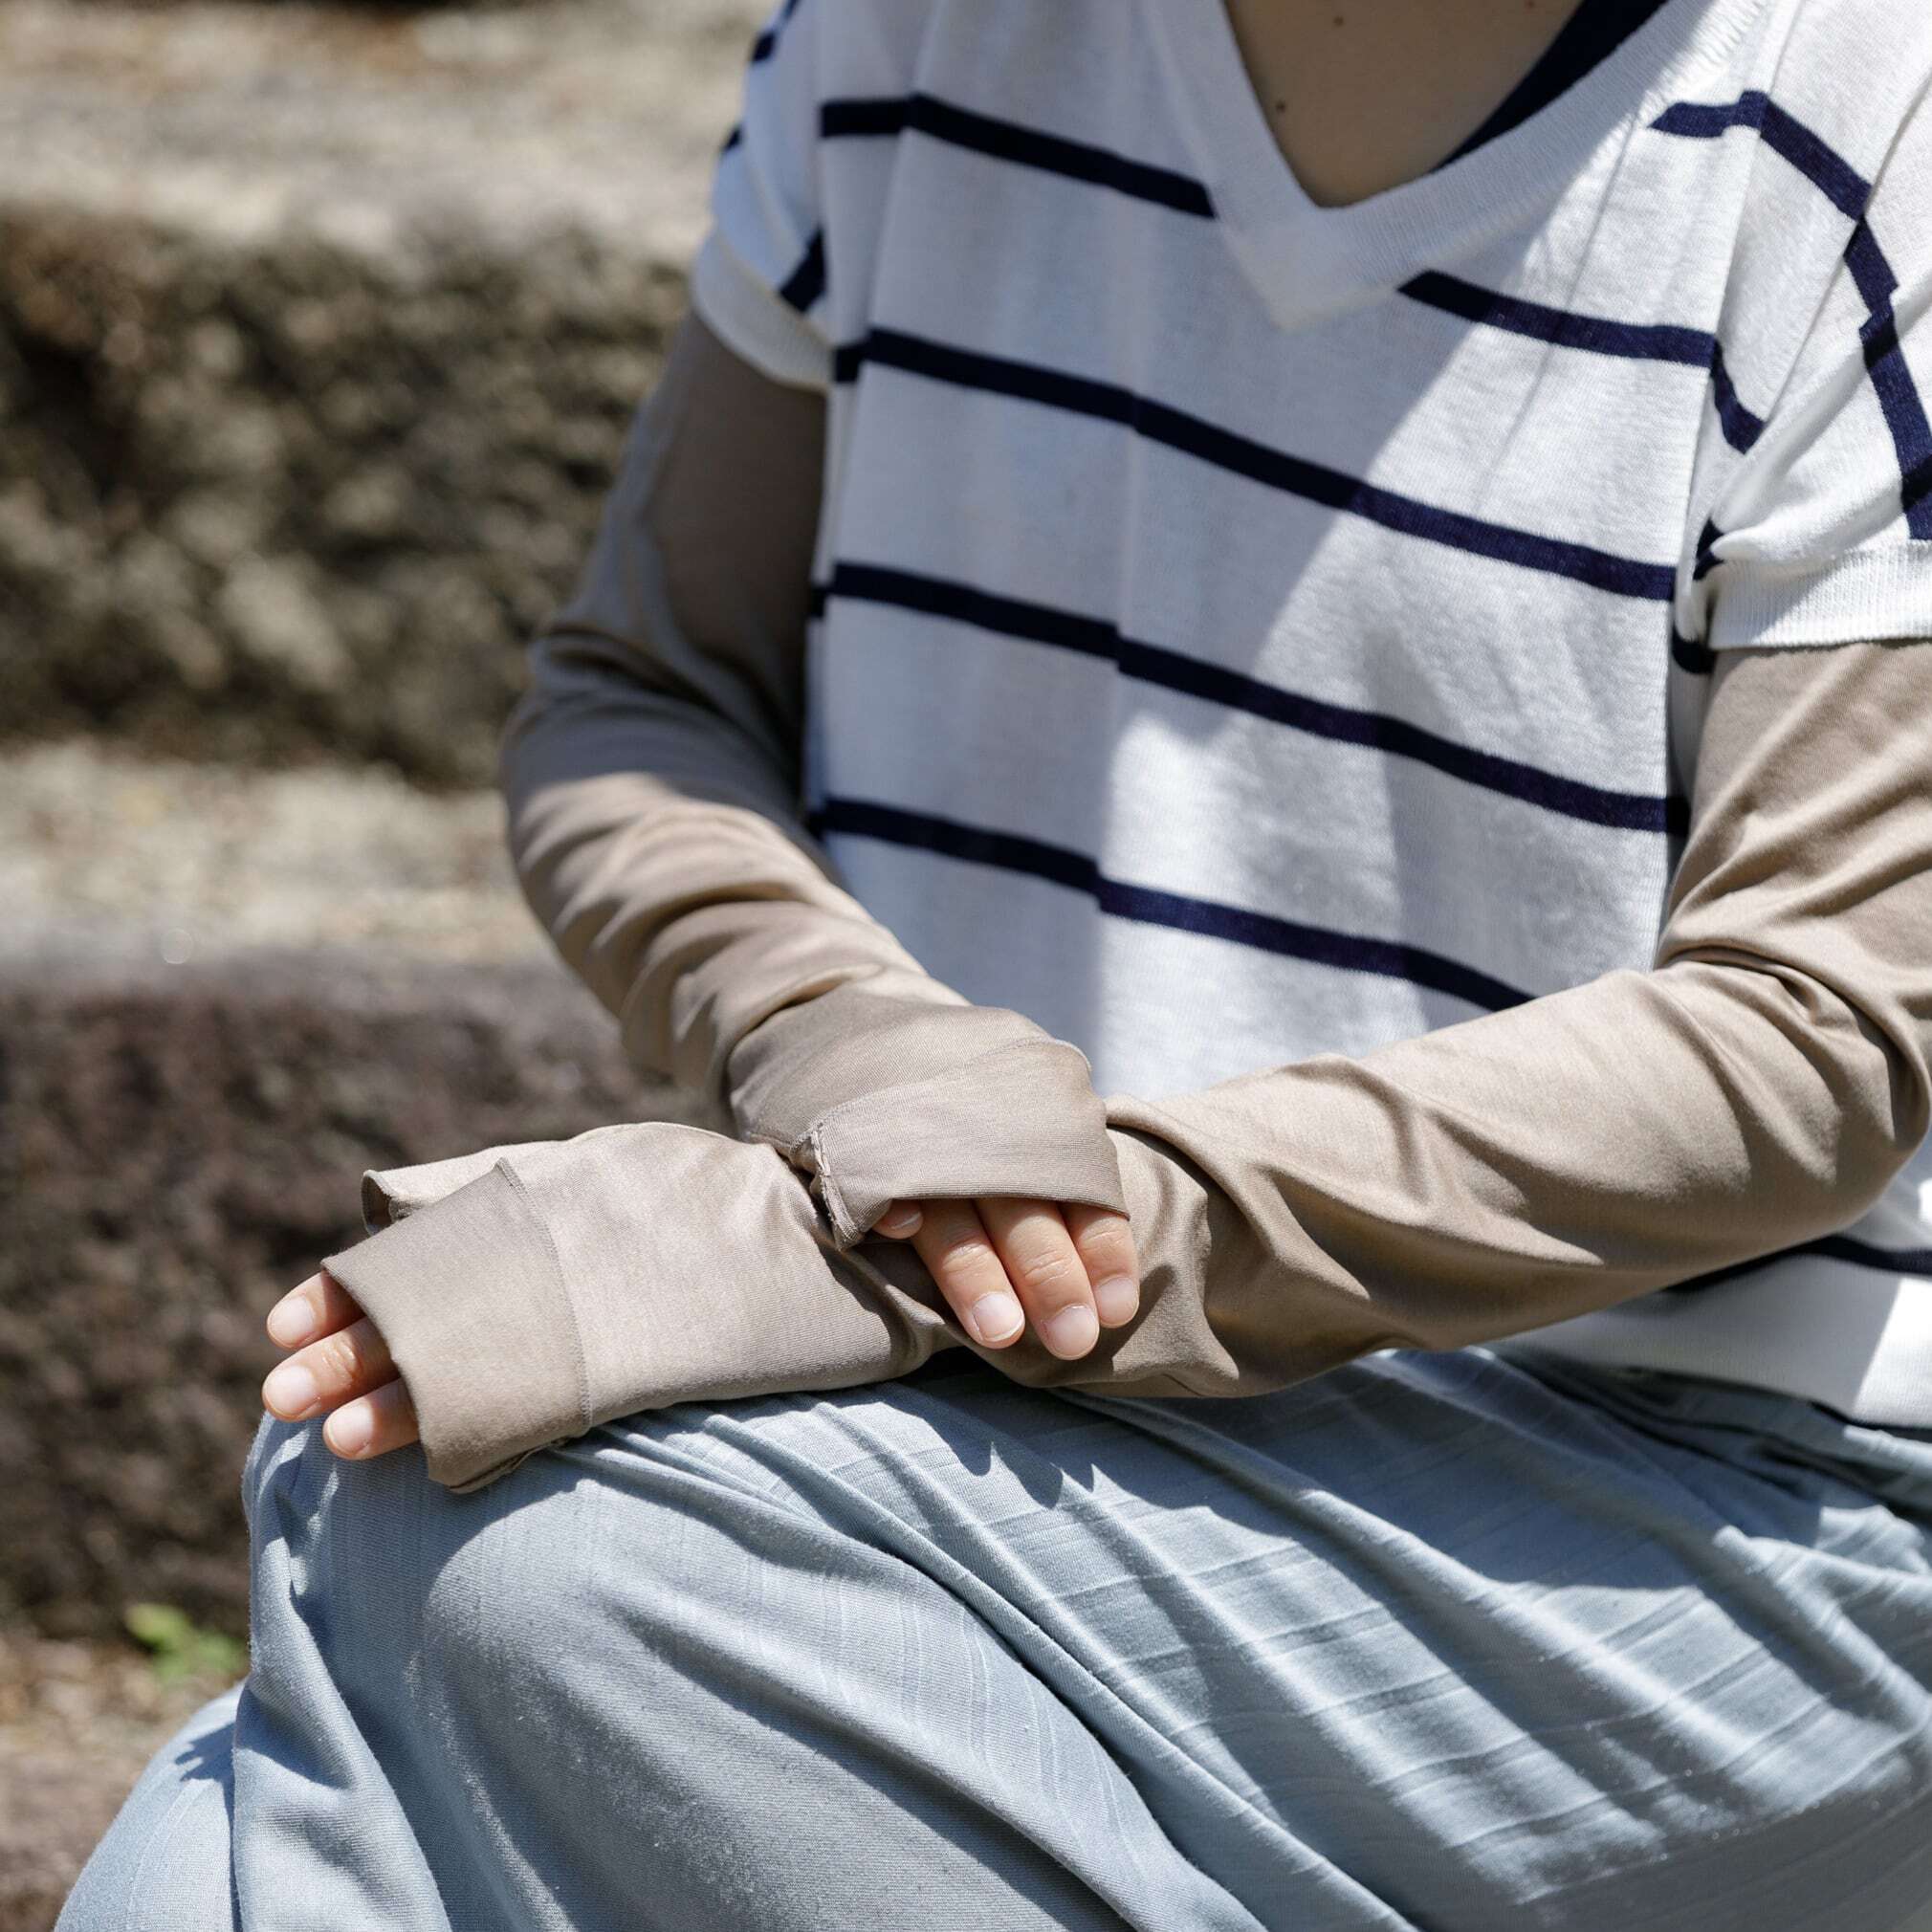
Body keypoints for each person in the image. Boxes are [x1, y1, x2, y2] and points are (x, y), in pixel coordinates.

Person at [58, 0, 1932, 1925]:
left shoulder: (1869, 103)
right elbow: (645, 693)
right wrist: (843, 1045)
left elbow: (1812, 1034)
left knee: (487, 1563)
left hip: (1736, 1504)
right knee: (235, 1822)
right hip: (1022, 1434)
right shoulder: (910, 33)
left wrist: (982, 1231)